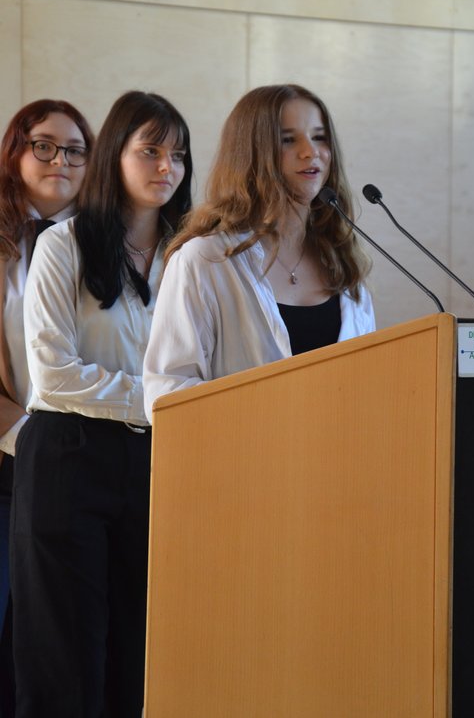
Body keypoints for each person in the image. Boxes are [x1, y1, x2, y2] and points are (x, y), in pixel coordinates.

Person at [11, 91, 192, 718]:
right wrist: (165, 400)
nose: (167, 167)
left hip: (161, 464)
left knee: (141, 657)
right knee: (64, 659)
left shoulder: (191, 256)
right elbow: (53, 374)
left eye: (179, 155)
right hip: (69, 454)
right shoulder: (64, 244)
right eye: (151, 151)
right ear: (115, 153)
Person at [143, 83, 375, 417]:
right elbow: (166, 393)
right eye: (288, 140)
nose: (310, 152)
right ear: (251, 152)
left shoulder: (343, 266)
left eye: (319, 137)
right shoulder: (205, 260)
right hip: (242, 448)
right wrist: (265, 414)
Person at [0, 99, 93, 718]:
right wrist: (28, 437)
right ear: (16, 152)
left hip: (80, 464)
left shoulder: (105, 243)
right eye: (44, 145)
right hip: (9, 459)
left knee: (54, 640)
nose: (61, 159)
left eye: (75, 149)